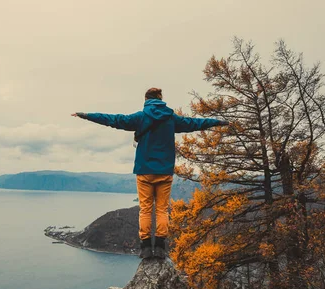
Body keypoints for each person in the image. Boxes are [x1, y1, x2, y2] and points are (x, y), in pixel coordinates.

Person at [71, 88, 228, 259]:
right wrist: (217, 122)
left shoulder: (140, 117)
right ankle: (160, 248)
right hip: (164, 171)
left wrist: (86, 115)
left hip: (144, 171)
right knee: (161, 210)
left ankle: (146, 248)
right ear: (161, 99)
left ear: (146, 100)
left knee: (145, 210)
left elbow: (113, 119)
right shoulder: (171, 118)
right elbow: (194, 123)